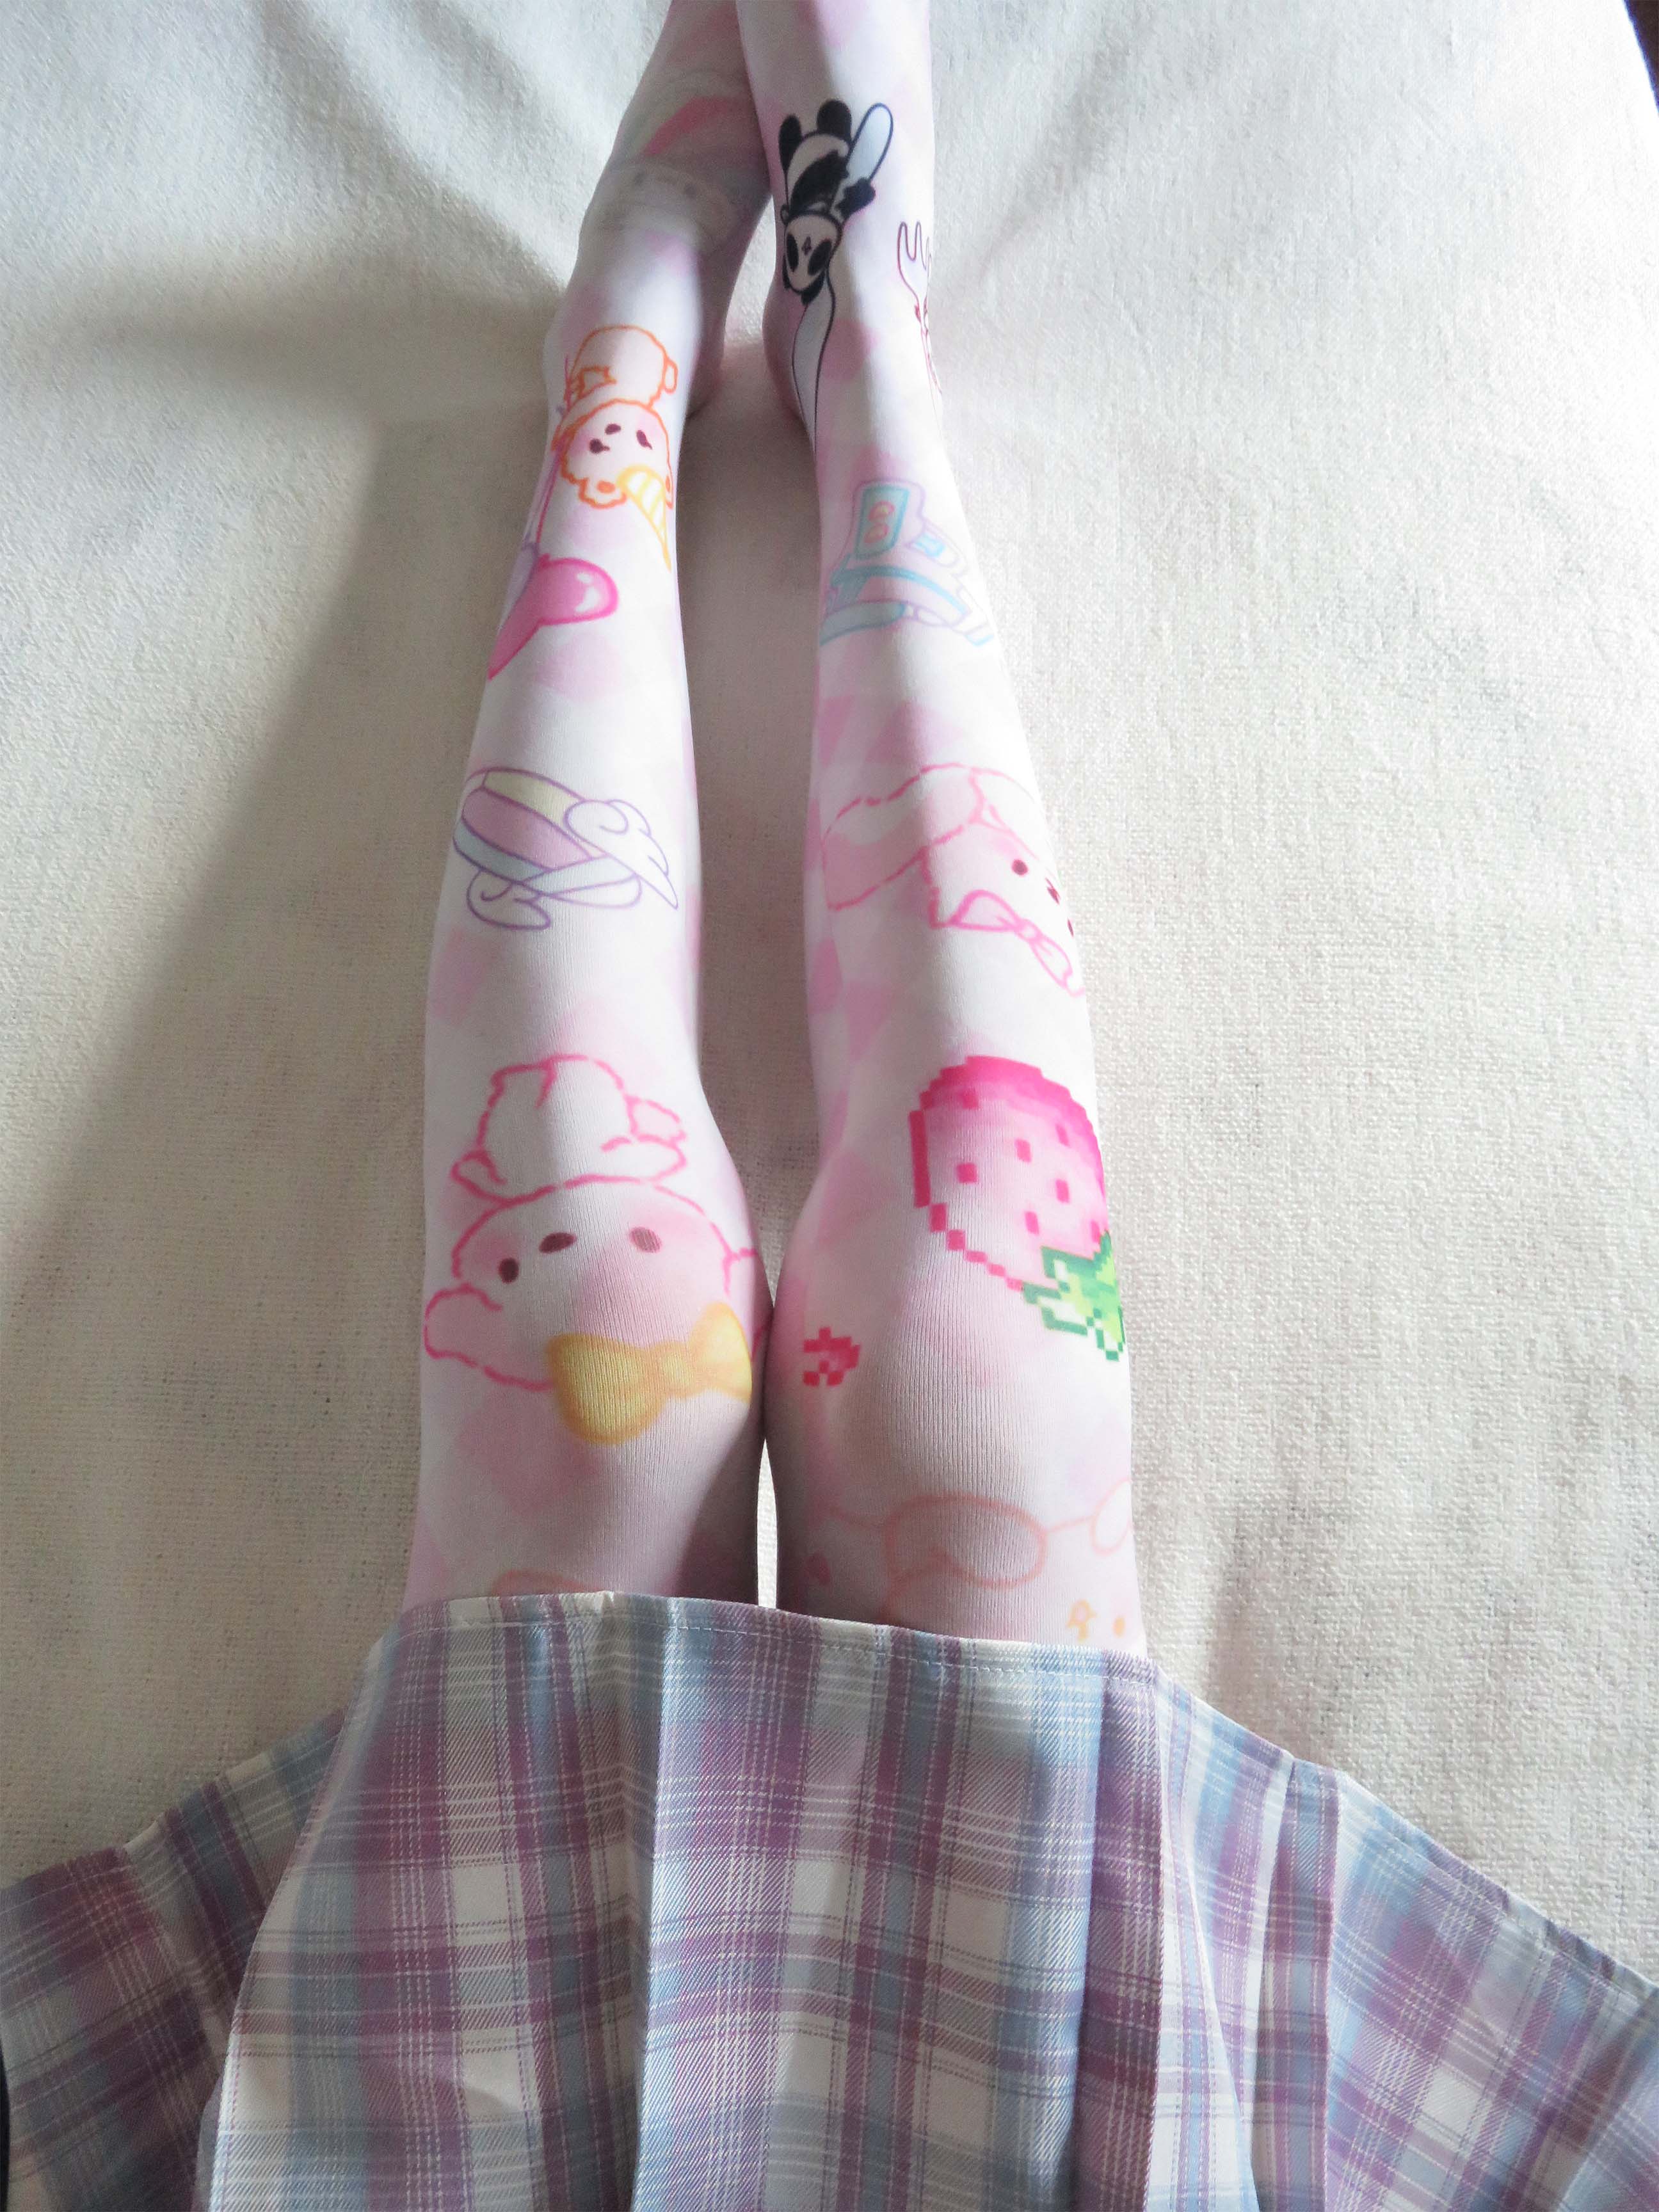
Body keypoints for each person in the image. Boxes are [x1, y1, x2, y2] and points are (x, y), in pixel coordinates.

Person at [0, 3, 1653, 2204]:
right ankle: (864, 351)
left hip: (472, 2054)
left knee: (604, 1344)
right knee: (975, 1353)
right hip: (1027, 2033)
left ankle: (635, 358)